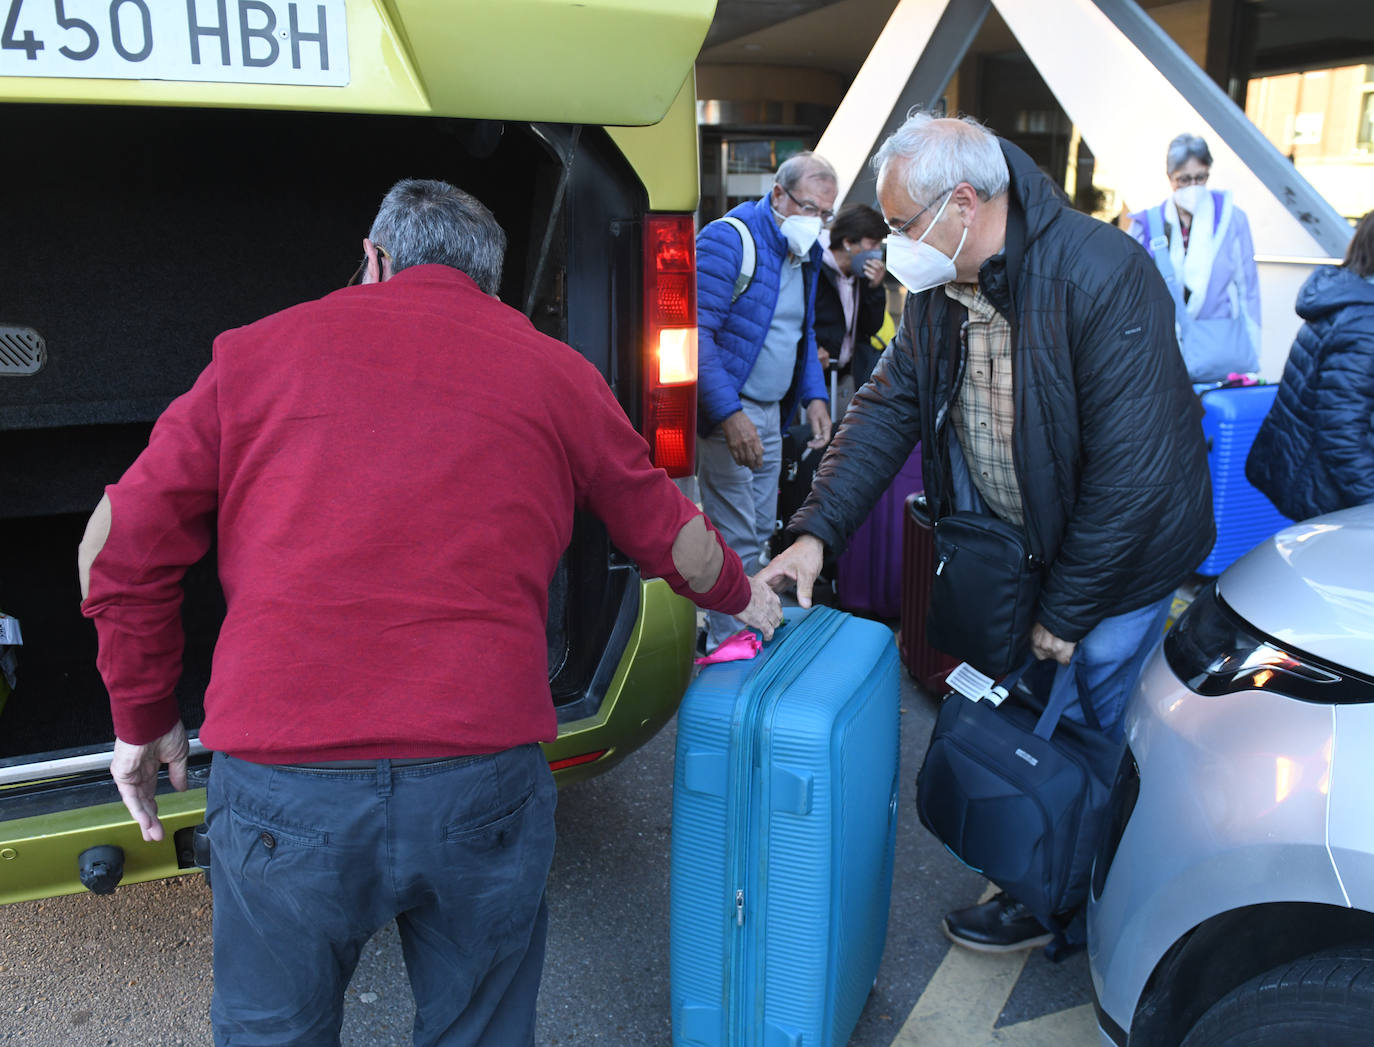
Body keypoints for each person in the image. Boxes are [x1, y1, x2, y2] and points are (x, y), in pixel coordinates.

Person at [76, 179, 783, 1046]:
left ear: (373, 257)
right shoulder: (557, 372)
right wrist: (749, 596)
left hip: (286, 785)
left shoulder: (253, 355)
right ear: (489, 284)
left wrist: (144, 717)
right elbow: (669, 537)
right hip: (480, 777)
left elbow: (116, 544)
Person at [758, 113, 1214, 952]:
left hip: (1117, 565)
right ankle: (1039, 851)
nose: (890, 245)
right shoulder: (936, 288)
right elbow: (887, 406)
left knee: (1092, 722)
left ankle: (1074, 897)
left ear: (962, 203)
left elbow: (1133, 472)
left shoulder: (1100, 274)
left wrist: (1068, 611)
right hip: (1023, 551)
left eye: (900, 225)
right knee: (1031, 707)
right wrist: (816, 529)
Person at [695, 152, 836, 650]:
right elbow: (696, 335)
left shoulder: (804, 254)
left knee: (757, 531)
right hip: (731, 412)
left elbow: (803, 333)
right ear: (778, 195)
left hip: (772, 414)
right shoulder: (727, 239)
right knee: (734, 535)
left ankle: (745, 633)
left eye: (826, 213)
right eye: (809, 208)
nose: (816, 222)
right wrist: (729, 415)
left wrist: (814, 396)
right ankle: (728, 646)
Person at [1246, 211, 1374, 521]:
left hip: (1313, 476)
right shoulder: (1363, 323)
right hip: (1331, 491)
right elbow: (1342, 430)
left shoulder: (1345, 297)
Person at [1128, 133, 1261, 382]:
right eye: (1184, 180)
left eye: (1200, 178)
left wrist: (1252, 349)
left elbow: (1248, 288)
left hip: (1217, 349)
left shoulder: (1232, 220)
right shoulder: (1146, 226)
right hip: (1162, 349)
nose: (1193, 186)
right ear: (1170, 178)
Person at [814, 202, 889, 416]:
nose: (876, 252)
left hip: (847, 375)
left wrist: (875, 288)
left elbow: (872, 327)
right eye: (872, 244)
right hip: (816, 375)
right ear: (848, 242)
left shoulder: (860, 275)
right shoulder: (814, 266)